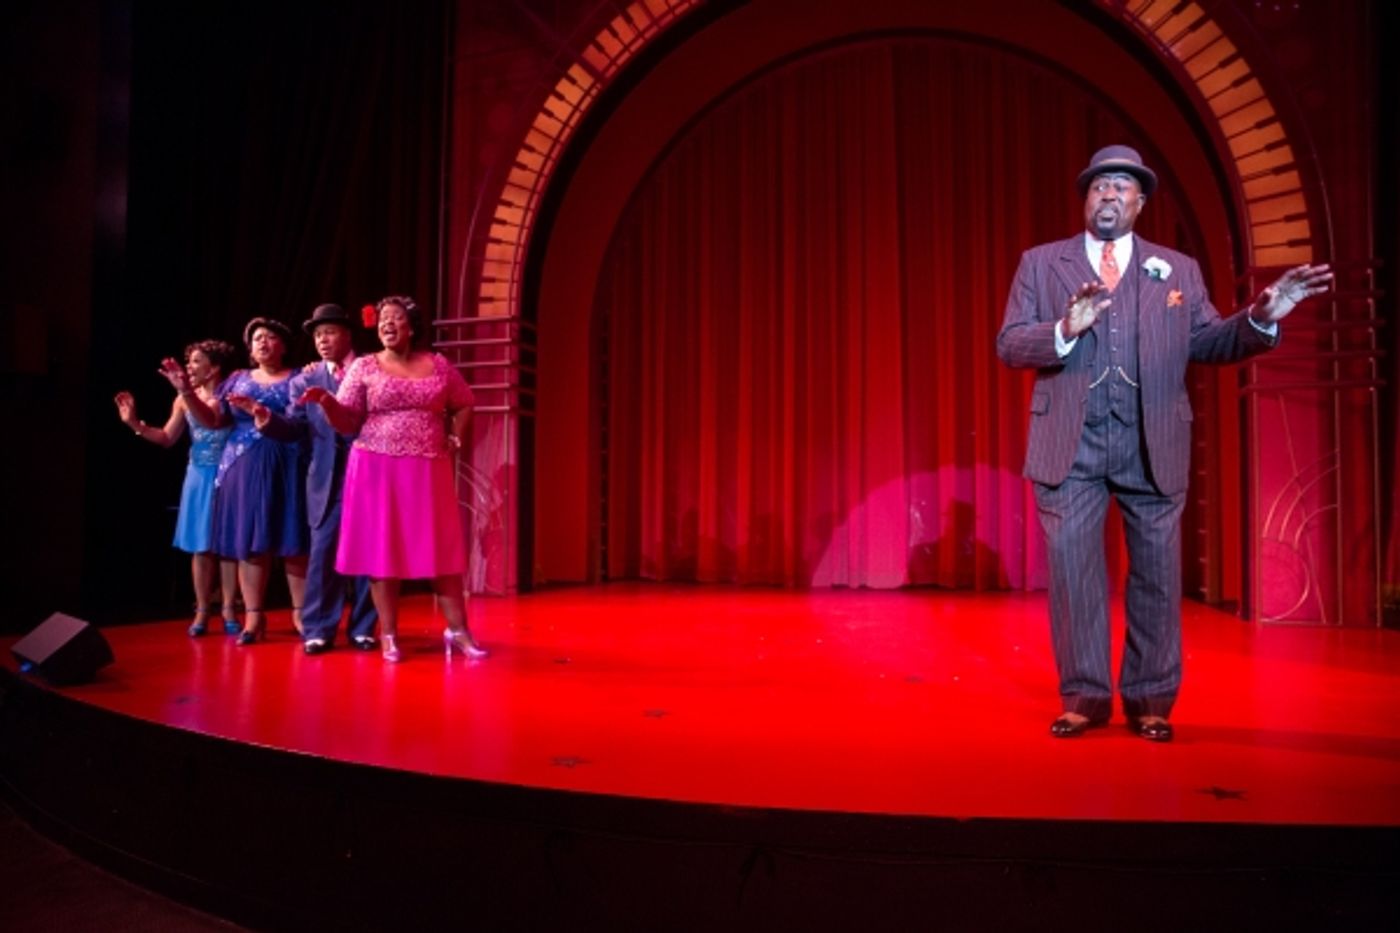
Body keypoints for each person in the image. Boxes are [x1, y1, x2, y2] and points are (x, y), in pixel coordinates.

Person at [996, 145, 1332, 742]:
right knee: (1076, 575)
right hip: (1069, 442)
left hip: (1152, 441)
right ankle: (1085, 698)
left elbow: (1209, 341)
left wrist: (1262, 316)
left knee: (1154, 575)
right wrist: (1063, 330)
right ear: (1086, 198)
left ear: (1140, 202)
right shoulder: (1041, 264)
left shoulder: (1176, 269)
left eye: (1122, 187)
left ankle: (1151, 700)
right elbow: (1010, 343)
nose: (1109, 196)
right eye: (1100, 186)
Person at [299, 295, 485, 663]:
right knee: (383, 553)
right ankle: (388, 634)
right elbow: (349, 422)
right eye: (383, 318)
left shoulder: (438, 365)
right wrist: (327, 403)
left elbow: (464, 402)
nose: (387, 323)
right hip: (375, 468)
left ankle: (458, 630)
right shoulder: (365, 366)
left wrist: (456, 435)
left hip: (428, 467)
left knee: (442, 551)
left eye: (396, 318)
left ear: (411, 327)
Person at [238, 304, 378, 655]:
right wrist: (264, 418)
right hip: (326, 480)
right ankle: (318, 628)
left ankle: (363, 628)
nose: (322, 341)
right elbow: (294, 428)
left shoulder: (372, 370)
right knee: (322, 556)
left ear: (347, 334)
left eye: (328, 332)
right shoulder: (307, 379)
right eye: (317, 336)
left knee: (368, 556)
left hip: (370, 475)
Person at [161, 318, 309, 646]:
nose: (263, 343)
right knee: (251, 540)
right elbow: (213, 421)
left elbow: (303, 424)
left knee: (292, 539)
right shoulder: (238, 379)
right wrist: (186, 391)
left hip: (287, 463)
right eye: (257, 338)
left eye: (271, 338)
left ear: (283, 346)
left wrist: (264, 415)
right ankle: (254, 616)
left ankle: (300, 613)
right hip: (243, 466)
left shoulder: (300, 378)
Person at [115, 339, 242, 637]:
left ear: (215, 368)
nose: (190, 368)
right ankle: (201, 609)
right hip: (198, 475)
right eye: (189, 362)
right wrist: (135, 423)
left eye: (196, 362)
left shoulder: (231, 396)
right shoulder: (184, 399)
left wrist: (185, 391)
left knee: (225, 546)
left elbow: (211, 421)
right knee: (200, 546)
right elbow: (167, 438)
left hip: (227, 472)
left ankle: (228, 608)